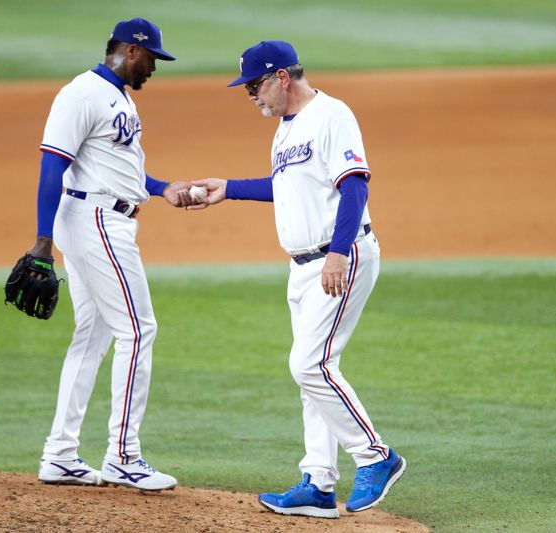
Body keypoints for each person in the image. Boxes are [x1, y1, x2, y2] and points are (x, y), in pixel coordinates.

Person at [192, 41, 405, 517]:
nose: (251, 97)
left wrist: (337, 252)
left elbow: (354, 185)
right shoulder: (286, 130)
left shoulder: (332, 115)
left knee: (310, 365)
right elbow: (289, 187)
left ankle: (376, 457)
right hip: (302, 267)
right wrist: (229, 189)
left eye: (254, 86)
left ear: (281, 77)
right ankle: (319, 484)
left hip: (339, 259)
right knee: (313, 376)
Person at [31, 18, 194, 491]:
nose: (154, 69)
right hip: (95, 221)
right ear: (128, 50)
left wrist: (165, 189)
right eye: (151, 59)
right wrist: (42, 242)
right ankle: (124, 455)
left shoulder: (119, 97)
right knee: (140, 330)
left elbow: (121, 171)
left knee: (94, 333)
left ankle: (60, 454)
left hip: (106, 215)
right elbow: (51, 167)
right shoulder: (81, 94)